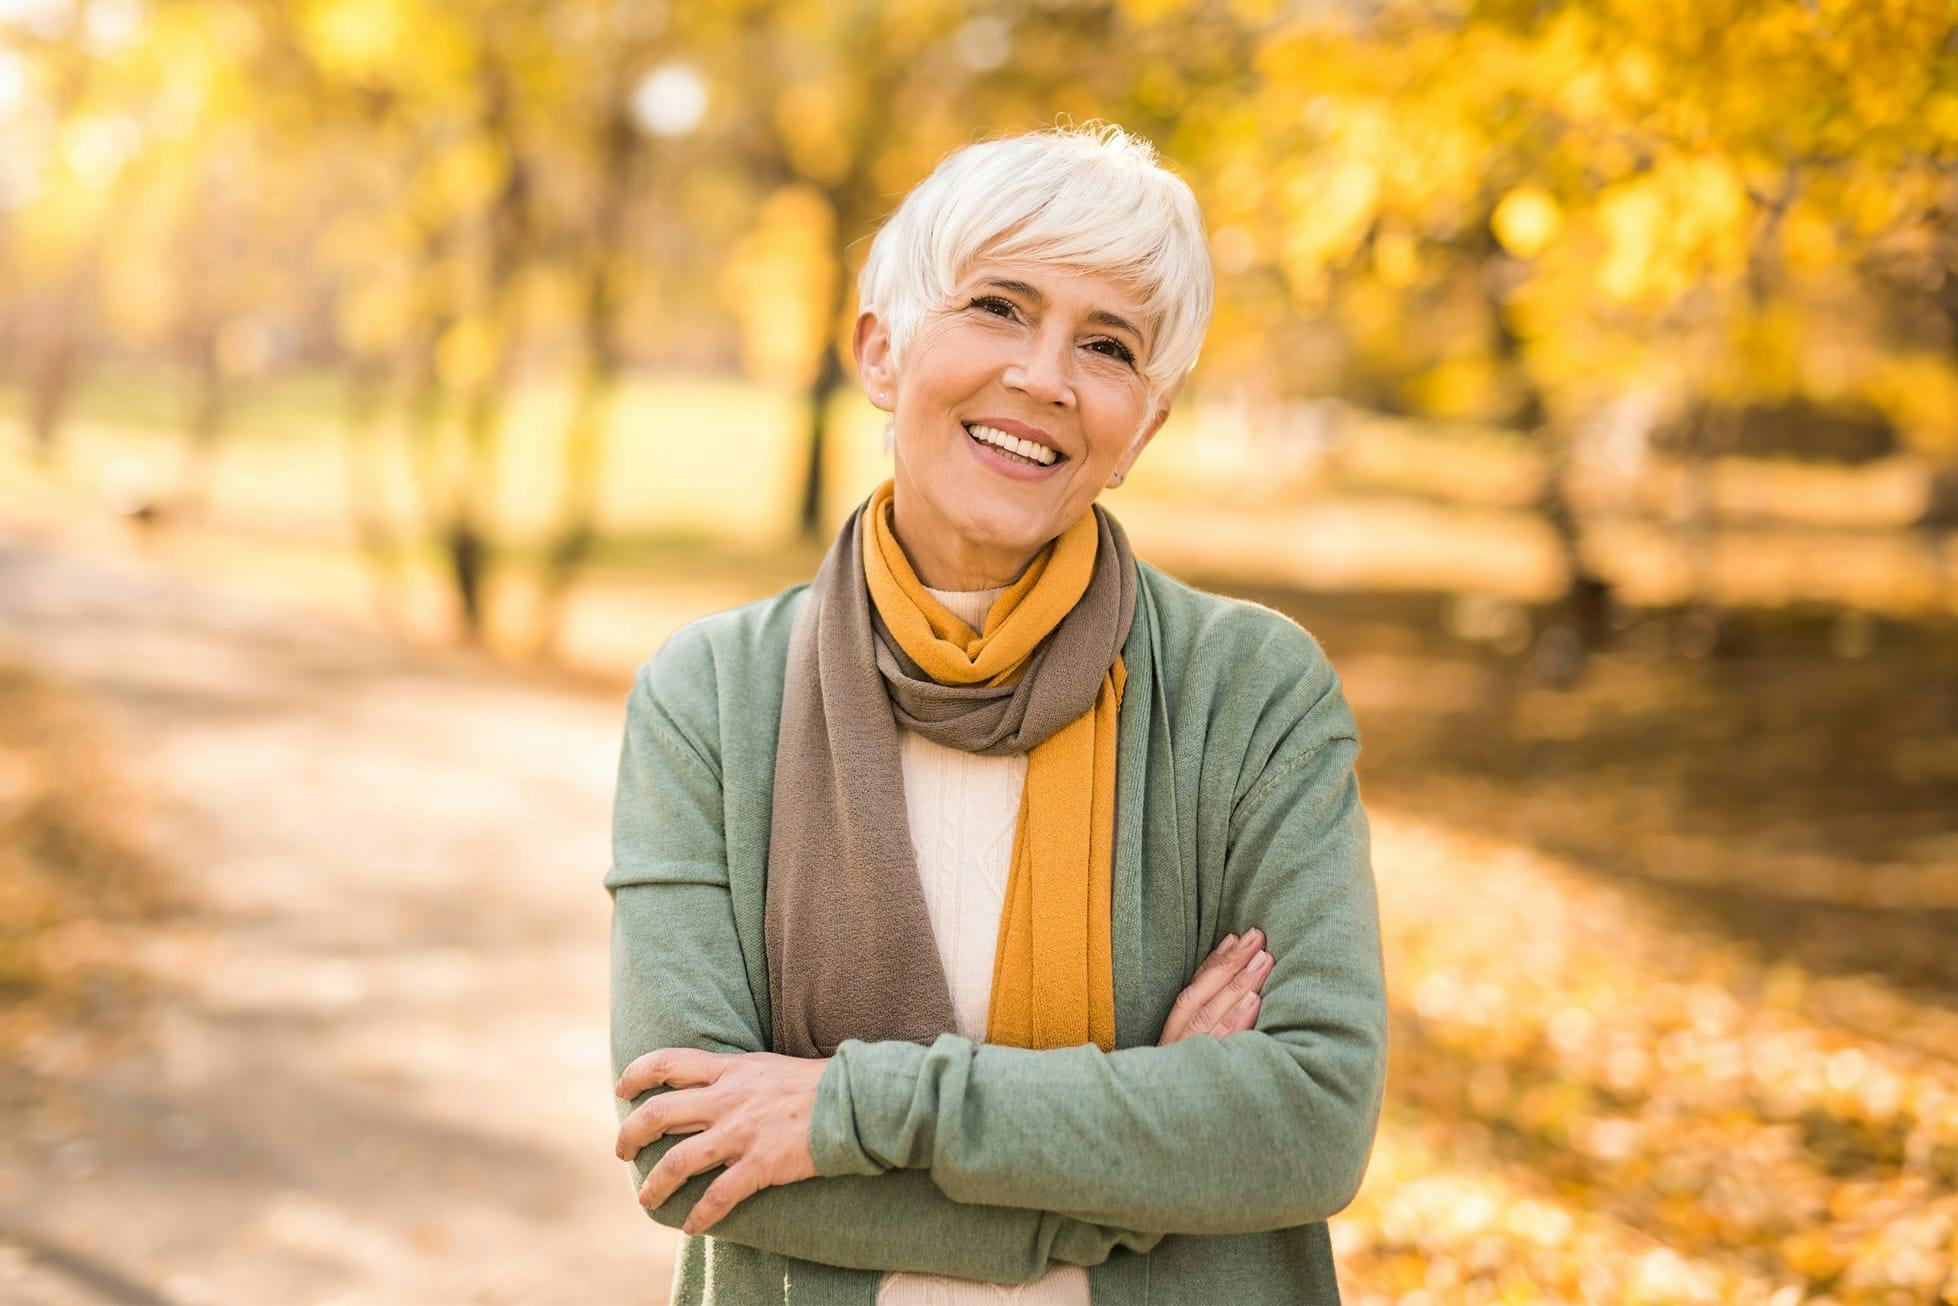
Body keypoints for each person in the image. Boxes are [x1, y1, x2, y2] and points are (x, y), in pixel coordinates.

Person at [606, 121, 1387, 1306]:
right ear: (878, 351)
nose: (1044, 377)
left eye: (1108, 345)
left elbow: (1310, 1120)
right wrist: (1134, 1163)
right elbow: (686, 1147)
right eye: (997, 308)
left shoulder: (1254, 693)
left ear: (1143, 428)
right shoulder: (710, 698)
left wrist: (841, 1110)